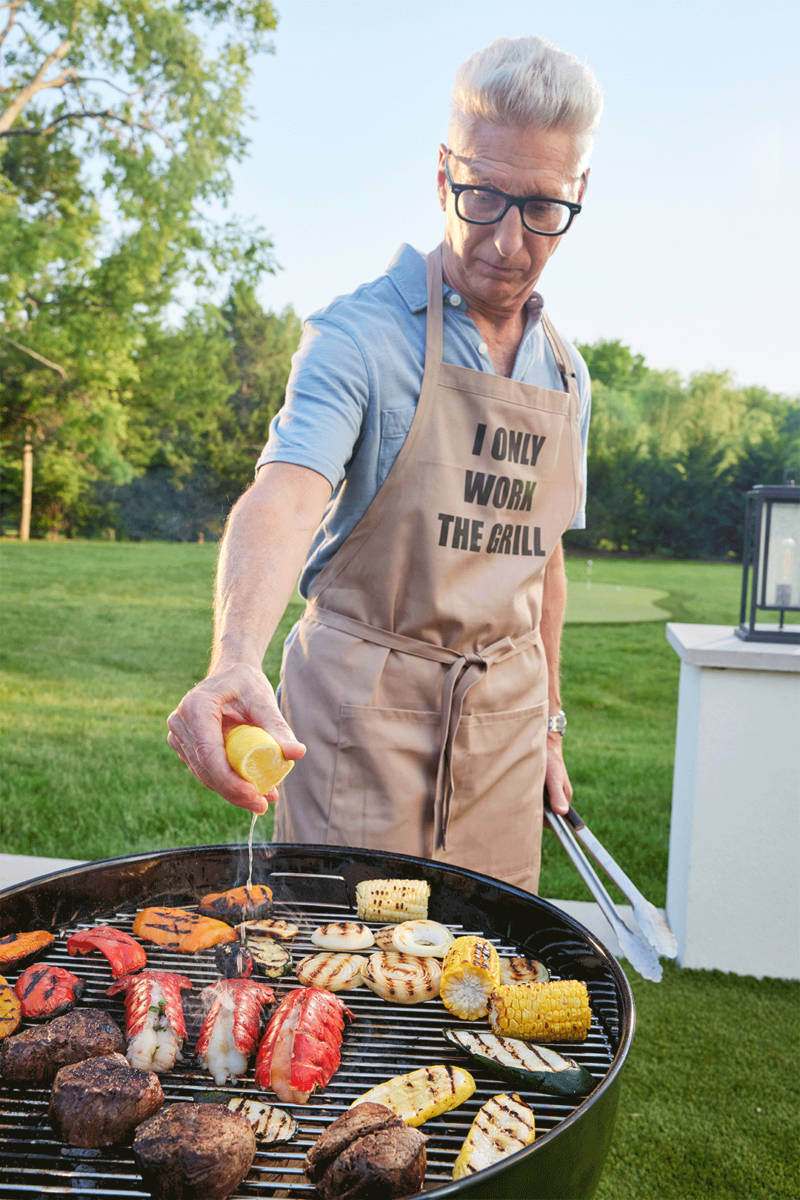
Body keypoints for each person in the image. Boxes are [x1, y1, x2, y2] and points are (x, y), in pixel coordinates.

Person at [167, 35, 603, 893]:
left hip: (504, 735)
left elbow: (542, 563)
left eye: (543, 208)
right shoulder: (357, 337)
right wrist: (233, 655)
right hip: (359, 724)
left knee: (485, 981)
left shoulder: (567, 373)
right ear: (444, 175)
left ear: (579, 195)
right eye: (483, 196)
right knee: (348, 973)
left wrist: (547, 726)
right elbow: (287, 495)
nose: (509, 241)